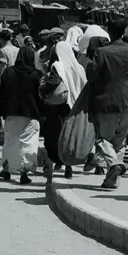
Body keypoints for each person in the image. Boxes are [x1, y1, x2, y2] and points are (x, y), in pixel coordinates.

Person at [85, 18, 128, 190]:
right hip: (127, 101)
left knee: (102, 139)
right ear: (124, 31)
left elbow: (92, 75)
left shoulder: (101, 52)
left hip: (106, 101)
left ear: (109, 32)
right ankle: (113, 180)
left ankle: (113, 164)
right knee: (120, 141)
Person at [38, 38, 86, 183]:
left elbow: (51, 84)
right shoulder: (79, 67)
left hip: (57, 108)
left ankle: (50, 171)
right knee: (67, 137)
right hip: (74, 107)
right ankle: (68, 166)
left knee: (53, 138)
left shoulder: (57, 67)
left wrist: (42, 89)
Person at [0, 43, 43, 184]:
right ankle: (23, 172)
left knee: (10, 142)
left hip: (11, 114)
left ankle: (6, 169)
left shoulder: (8, 72)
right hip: (31, 114)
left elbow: (1, 94)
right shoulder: (37, 75)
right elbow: (40, 97)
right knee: (27, 143)